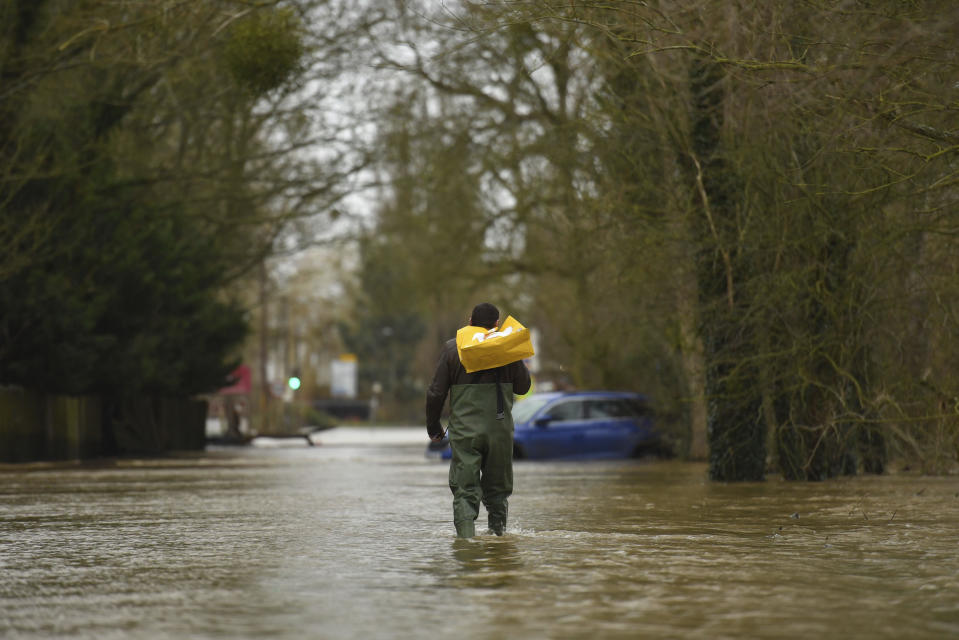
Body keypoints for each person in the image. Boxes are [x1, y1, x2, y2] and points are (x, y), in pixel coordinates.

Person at [426, 302, 532, 538]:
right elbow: (524, 387)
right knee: (498, 491)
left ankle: (466, 544)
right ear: (496, 324)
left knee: (465, 490)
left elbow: (435, 393)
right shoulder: (508, 350)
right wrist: (514, 357)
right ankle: (499, 540)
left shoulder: (453, 349)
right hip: (500, 430)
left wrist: (433, 427)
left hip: (465, 432)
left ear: (470, 322)